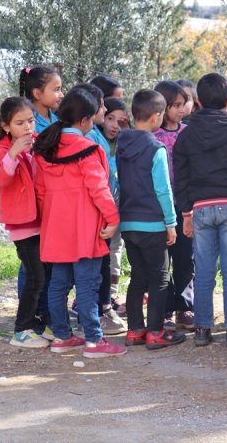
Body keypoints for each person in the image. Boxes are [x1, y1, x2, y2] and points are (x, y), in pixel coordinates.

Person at [32, 89, 125, 358]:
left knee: (58, 283)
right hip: (85, 227)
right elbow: (100, 189)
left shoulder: (45, 147)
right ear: (85, 121)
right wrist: (113, 217)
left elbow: (40, 191)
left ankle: (61, 336)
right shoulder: (88, 149)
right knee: (87, 285)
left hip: (55, 226)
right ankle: (94, 341)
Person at [173, 73, 227, 347]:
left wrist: (186, 212)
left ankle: (201, 329)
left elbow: (181, 177)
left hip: (200, 208)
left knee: (204, 270)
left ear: (197, 101)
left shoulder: (186, 136)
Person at [118, 89, 187, 350]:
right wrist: (171, 222)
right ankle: (156, 332)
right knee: (158, 278)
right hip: (153, 223)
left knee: (138, 277)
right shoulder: (155, 148)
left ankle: (135, 330)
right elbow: (163, 189)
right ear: (157, 116)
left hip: (128, 222)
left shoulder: (122, 144)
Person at [0, 97, 49, 349]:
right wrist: (14, 153)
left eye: (31, 121)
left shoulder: (35, 146)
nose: (27, 127)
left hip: (40, 220)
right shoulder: (1, 151)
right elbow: (3, 179)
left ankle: (37, 324)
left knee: (43, 275)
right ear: (6, 126)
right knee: (35, 277)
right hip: (21, 224)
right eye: (19, 122)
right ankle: (21, 329)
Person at [73, 84, 127, 335]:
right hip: (98, 208)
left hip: (102, 206)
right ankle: (93, 316)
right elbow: (98, 179)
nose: (106, 112)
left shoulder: (93, 134)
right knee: (94, 264)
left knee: (103, 259)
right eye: (104, 108)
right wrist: (109, 213)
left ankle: (98, 309)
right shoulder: (89, 138)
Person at [16, 65, 63, 333]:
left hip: (53, 198)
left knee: (48, 259)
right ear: (37, 93)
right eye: (55, 89)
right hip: (34, 200)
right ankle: (28, 316)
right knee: (32, 262)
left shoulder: (57, 117)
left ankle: (45, 312)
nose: (60, 94)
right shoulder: (27, 121)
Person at [153, 81, 196, 331]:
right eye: (175, 105)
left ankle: (184, 307)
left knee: (185, 258)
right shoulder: (152, 134)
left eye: (183, 104)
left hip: (185, 207)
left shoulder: (188, 132)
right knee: (162, 261)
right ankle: (165, 309)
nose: (181, 110)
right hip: (158, 208)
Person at [101, 97, 129, 308]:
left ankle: (111, 294)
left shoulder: (125, 143)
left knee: (116, 248)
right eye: (110, 118)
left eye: (120, 121)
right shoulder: (95, 141)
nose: (114, 125)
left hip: (119, 205)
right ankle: (96, 297)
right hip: (99, 205)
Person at [19, 65, 63, 133]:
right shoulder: (28, 126)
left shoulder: (58, 120)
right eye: (56, 89)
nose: (62, 95)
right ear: (37, 94)